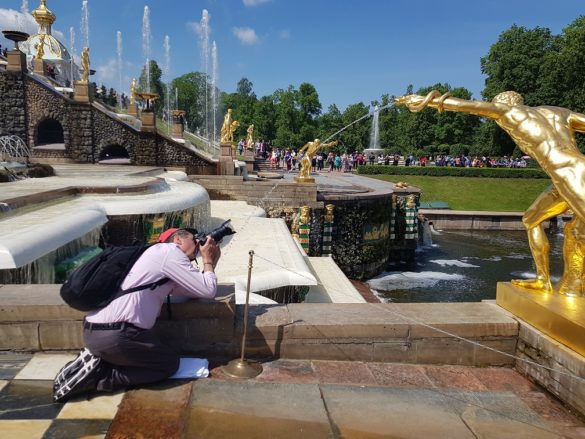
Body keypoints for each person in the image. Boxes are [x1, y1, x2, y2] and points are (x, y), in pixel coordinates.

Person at [396, 90, 585, 296]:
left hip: (568, 173)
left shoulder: (509, 112)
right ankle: (546, 281)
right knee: (532, 219)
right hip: (565, 175)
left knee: (579, 228)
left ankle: (571, 283)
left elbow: (466, 106)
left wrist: (424, 101)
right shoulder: (559, 112)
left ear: (505, 102)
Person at [54, 227, 221, 402]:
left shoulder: (148, 258)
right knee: (168, 365)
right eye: (194, 239)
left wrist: (209, 263)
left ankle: (99, 361)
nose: (198, 244)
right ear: (178, 240)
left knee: (157, 358)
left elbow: (197, 290)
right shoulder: (169, 251)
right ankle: (101, 378)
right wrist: (208, 261)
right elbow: (208, 290)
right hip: (119, 336)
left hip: (93, 332)